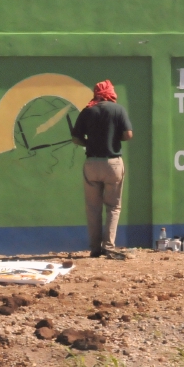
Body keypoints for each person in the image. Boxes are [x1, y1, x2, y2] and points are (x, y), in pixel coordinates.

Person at [70, 80, 133, 258]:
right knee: (113, 206)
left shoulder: (88, 110)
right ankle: (109, 245)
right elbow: (128, 135)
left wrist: (89, 143)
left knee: (93, 207)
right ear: (110, 92)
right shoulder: (118, 110)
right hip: (113, 163)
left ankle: (95, 248)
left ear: (96, 93)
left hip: (91, 163)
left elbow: (76, 138)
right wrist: (114, 137)